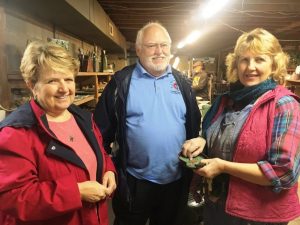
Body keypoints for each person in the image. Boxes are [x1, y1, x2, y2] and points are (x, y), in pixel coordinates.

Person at [181, 28, 300, 225]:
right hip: (218, 204)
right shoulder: (225, 101)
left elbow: (283, 172)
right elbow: (218, 135)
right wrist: (202, 140)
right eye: (244, 60)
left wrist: (224, 167)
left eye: (259, 59)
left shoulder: (284, 105)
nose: (249, 67)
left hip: (257, 214)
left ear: (274, 64)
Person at [94, 22, 201, 225]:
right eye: (152, 45)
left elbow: (194, 128)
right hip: (134, 181)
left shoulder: (183, 83)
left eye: (164, 45)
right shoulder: (121, 82)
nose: (159, 51)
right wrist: (106, 168)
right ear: (139, 49)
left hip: (175, 181)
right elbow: (99, 132)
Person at [0, 41, 116, 225]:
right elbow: (14, 198)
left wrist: (109, 170)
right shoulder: (17, 133)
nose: (64, 89)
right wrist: (76, 192)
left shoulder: (83, 119)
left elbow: (99, 153)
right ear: (32, 85)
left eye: (68, 79)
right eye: (53, 80)